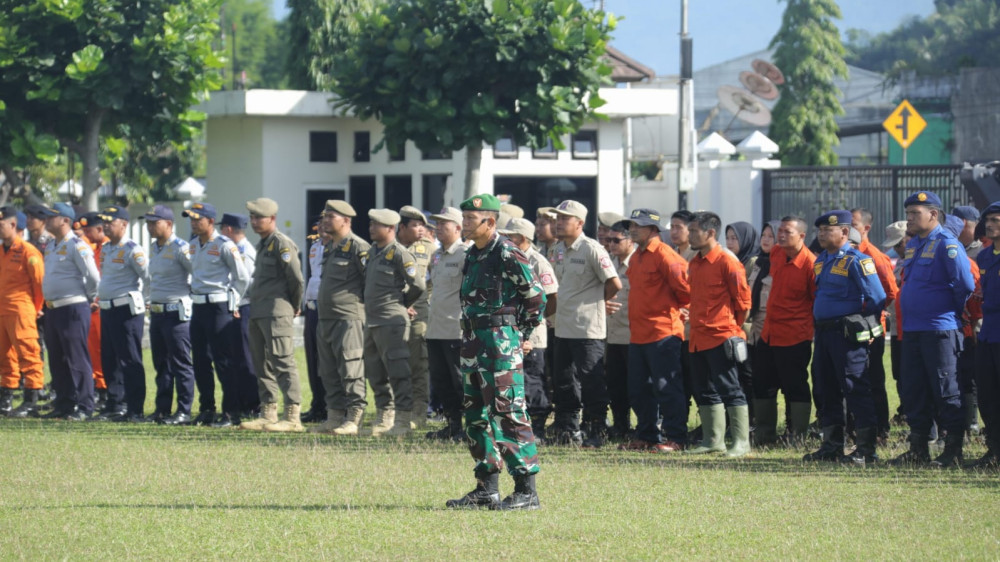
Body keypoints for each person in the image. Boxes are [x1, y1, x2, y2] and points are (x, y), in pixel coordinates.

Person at [445, 193, 545, 511]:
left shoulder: (507, 252)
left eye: (471, 219)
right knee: (476, 416)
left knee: (509, 414)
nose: (465, 224)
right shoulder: (474, 254)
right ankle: (486, 488)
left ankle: (526, 491)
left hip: (501, 343)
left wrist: (521, 335)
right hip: (474, 341)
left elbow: (536, 298)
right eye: (464, 219)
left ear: (490, 222)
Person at [892, 191, 975, 468]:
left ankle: (953, 451)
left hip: (940, 329)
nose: (910, 219)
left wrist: (946, 309)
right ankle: (918, 449)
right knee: (914, 389)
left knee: (945, 389)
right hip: (913, 330)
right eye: (908, 214)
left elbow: (964, 284)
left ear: (934, 215)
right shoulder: (914, 244)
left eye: (915, 213)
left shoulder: (947, 244)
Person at [802, 211, 887, 466]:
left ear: (844, 232)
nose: (822, 234)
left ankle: (866, 449)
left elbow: (877, 298)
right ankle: (831, 445)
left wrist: (863, 326)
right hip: (824, 334)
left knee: (855, 388)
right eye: (819, 231)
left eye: (828, 230)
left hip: (847, 335)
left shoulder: (858, 261)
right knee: (825, 387)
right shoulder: (821, 261)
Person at [550, 199, 621, 447]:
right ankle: (568, 429)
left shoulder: (592, 249)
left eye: (564, 219)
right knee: (564, 380)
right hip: (563, 326)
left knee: (591, 380)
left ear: (579, 223)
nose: (558, 223)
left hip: (587, 328)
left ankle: (596, 429)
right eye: (557, 218)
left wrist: (595, 301)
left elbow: (614, 283)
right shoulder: (557, 249)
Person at [619, 209, 690, 452]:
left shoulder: (666, 256)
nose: (632, 229)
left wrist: (682, 310)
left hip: (663, 333)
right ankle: (647, 435)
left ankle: (676, 438)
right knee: (639, 389)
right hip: (638, 333)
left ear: (653, 229)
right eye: (631, 224)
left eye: (638, 225)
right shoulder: (637, 256)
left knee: (666, 387)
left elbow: (687, 291)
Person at [685, 212, 752, 458]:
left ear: (710, 233)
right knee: (704, 388)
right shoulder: (695, 261)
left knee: (730, 388)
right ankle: (713, 440)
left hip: (721, 335)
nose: (689, 235)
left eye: (693, 231)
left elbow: (743, 303)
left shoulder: (727, 261)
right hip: (697, 337)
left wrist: (731, 328)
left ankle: (741, 443)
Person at [239, 198, 305, 432]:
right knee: (262, 363)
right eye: (252, 218)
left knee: (283, 361)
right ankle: (268, 412)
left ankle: (292, 415)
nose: (254, 222)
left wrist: (294, 305)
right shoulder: (263, 244)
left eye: (259, 218)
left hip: (277, 311)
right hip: (259, 310)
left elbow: (295, 278)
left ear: (272, 219)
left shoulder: (281, 243)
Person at [183, 202, 251, 426]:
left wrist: (234, 300)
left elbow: (241, 276)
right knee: (200, 361)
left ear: (211, 221)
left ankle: (231, 411)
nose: (193, 223)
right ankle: (206, 408)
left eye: (197, 219)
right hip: (198, 307)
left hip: (219, 307)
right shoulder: (193, 245)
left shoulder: (224, 244)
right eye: (191, 219)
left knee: (224, 361)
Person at [309, 200, 371, 436]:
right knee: (328, 369)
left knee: (351, 366)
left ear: (346, 221)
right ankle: (334, 416)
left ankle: (355, 417)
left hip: (349, 318)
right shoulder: (330, 247)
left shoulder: (359, 246)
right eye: (324, 216)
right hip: (326, 318)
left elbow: (369, 282)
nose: (325, 221)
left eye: (330, 216)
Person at [753, 217, 816, 445]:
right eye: (779, 230)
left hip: (794, 336)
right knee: (762, 382)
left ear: (801, 236)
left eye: (786, 232)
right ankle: (764, 434)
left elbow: (815, 300)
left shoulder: (810, 264)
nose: (780, 235)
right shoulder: (777, 253)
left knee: (795, 385)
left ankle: (797, 435)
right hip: (769, 332)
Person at [363, 208, 425, 436]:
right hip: (372, 321)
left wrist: (400, 303)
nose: (371, 228)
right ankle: (384, 415)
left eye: (375, 225)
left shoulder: (399, 253)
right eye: (370, 224)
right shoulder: (373, 252)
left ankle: (402, 420)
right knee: (375, 371)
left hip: (391, 321)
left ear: (390, 228)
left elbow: (417, 285)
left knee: (398, 372)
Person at [499, 217, 559, 443]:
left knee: (533, 380)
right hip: (510, 330)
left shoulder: (537, 261)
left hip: (532, 333)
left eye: (509, 236)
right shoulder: (507, 258)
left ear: (522, 238)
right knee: (514, 380)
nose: (504, 239)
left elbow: (552, 297)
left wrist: (535, 321)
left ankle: (538, 428)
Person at [38, 202, 100, 420]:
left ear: (65, 220)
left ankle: (85, 406)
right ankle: (64, 404)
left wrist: (89, 297)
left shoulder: (77, 244)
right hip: (53, 308)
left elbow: (93, 276)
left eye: (51, 217)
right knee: (57, 358)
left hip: (73, 306)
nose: (46, 220)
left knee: (77, 357)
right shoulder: (52, 245)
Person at [93, 205, 149, 422]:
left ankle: (134, 408)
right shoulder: (106, 249)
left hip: (126, 310)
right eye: (104, 222)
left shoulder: (133, 249)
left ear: (124, 225)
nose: (105, 226)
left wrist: (143, 301)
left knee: (130, 360)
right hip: (108, 309)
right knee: (110, 359)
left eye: (110, 221)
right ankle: (115, 404)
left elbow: (148, 278)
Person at [851, 208, 900, 443]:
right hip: (848, 326)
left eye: (853, 225)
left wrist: (870, 314)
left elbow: (890, 292)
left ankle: (881, 428)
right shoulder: (845, 253)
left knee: (873, 378)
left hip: (871, 327)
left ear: (866, 229)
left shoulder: (874, 256)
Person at [144, 205, 195, 425]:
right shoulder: (154, 248)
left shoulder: (180, 248)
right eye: (148, 222)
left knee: (181, 364)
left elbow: (197, 273)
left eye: (155, 222)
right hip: (157, 313)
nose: (150, 227)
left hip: (176, 313)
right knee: (161, 365)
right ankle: (162, 409)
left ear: (169, 224)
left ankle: (184, 410)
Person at [0, 206, 45, 417]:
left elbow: (39, 283)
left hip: (21, 309)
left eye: (1, 225)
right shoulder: (1, 251)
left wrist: (34, 309)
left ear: (12, 225)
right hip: (2, 310)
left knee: (28, 354)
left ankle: (32, 399)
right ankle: (6, 399)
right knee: (5, 357)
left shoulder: (28, 251)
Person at [219, 212, 260, 424]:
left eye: (221, 228)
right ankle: (243, 402)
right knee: (236, 358)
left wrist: (236, 301)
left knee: (246, 358)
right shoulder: (238, 248)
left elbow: (249, 282)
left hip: (243, 307)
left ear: (228, 229)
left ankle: (253, 405)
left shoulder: (244, 250)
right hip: (236, 307)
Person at [398, 205, 434, 427]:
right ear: (402, 227)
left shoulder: (429, 249)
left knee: (418, 363)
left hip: (418, 315)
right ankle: (396, 410)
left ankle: (418, 412)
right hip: (392, 312)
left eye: (422, 225)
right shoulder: (388, 248)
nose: (421, 229)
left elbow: (434, 282)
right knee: (392, 363)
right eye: (415, 225)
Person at [972, 201, 1000, 468]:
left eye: (996, 220)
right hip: (989, 333)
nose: (990, 224)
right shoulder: (984, 256)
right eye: (987, 220)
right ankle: (994, 450)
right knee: (988, 395)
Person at [725, 221, 761, 428]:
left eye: (734, 238)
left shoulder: (751, 262)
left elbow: (745, 298)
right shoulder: (729, 261)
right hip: (733, 329)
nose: (729, 243)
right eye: (727, 238)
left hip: (745, 329)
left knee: (746, 377)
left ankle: (750, 421)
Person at [602, 220, 634, 441]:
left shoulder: (638, 263)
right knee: (615, 386)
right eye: (608, 240)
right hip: (611, 335)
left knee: (639, 386)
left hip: (633, 335)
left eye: (616, 240)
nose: (610, 244)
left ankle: (647, 426)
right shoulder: (607, 263)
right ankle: (620, 426)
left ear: (630, 240)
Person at [76, 213, 108, 410]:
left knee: (102, 350)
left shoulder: (107, 249)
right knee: (92, 350)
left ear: (100, 229)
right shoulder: (94, 249)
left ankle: (105, 391)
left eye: (88, 231)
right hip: (92, 307)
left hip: (103, 306)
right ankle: (98, 388)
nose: (85, 235)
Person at [300, 223, 329, 423]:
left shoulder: (339, 247)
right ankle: (317, 404)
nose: (320, 231)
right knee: (312, 359)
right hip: (312, 305)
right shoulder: (314, 246)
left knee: (328, 361)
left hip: (328, 307)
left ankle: (332, 406)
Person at [882, 220, 909, 424]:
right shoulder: (901, 261)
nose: (897, 249)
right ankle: (905, 410)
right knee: (899, 373)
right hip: (898, 327)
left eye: (899, 244)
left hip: (913, 328)